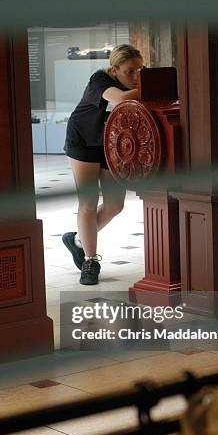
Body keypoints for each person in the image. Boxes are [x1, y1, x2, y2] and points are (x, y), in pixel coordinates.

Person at [62, 44, 144, 285]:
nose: (136, 76)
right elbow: (118, 100)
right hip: (83, 141)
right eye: (130, 71)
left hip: (111, 145)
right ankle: (90, 261)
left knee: (115, 204)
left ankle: (77, 240)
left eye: (140, 69)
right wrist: (148, 87)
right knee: (87, 202)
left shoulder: (136, 85)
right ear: (115, 69)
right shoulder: (99, 79)